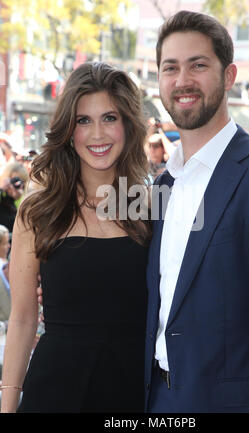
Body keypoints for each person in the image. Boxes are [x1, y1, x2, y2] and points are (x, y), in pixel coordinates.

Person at [145, 11, 249, 413]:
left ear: (229, 76)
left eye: (198, 65)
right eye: (170, 68)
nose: (182, 81)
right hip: (157, 401)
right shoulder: (163, 186)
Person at [0, 61, 151, 413]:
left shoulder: (152, 207)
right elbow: (22, 319)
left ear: (128, 125)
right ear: (69, 130)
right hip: (53, 392)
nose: (97, 134)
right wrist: (7, 406)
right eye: (84, 120)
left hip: (131, 392)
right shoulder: (38, 211)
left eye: (110, 118)